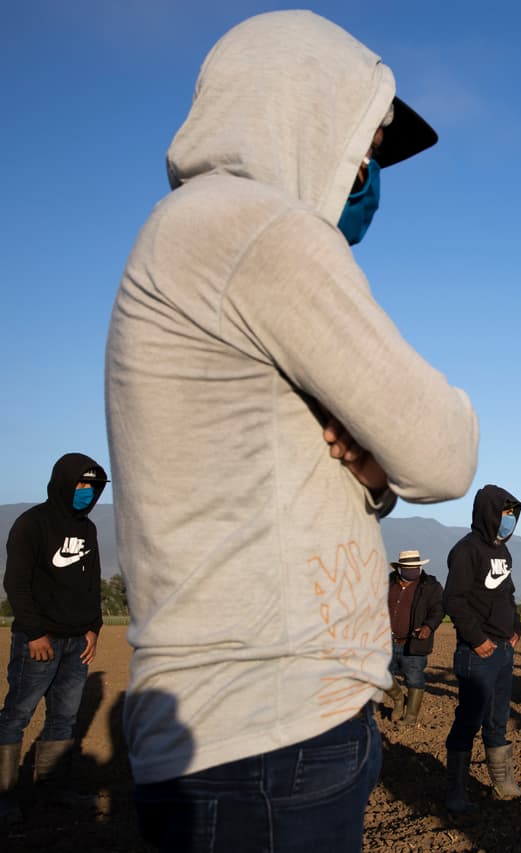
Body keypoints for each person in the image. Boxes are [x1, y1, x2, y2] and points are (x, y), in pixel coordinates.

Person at [105, 12, 479, 850]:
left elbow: (293, 471)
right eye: (366, 144)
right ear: (304, 114)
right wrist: (393, 451)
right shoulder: (257, 228)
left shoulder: (192, 233)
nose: (368, 174)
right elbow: (444, 450)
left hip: (243, 736)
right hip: (270, 738)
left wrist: (373, 472)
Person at [1, 454, 109, 809]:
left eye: (93, 486)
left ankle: (53, 791)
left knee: (64, 718)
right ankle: (4, 797)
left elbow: (92, 582)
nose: (86, 491)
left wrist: (93, 629)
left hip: (77, 643)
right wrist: (34, 634)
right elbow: (16, 584)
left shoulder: (88, 529)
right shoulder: (32, 524)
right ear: (63, 482)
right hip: (39, 642)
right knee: (16, 716)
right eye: (81, 483)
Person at [442, 485, 521, 813]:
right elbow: (454, 600)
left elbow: (507, 594)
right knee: (468, 720)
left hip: (504, 650)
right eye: (505, 513)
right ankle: (456, 793)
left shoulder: (503, 552)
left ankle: (503, 785)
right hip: (478, 653)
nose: (510, 519)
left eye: (513, 514)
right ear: (489, 513)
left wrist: (516, 628)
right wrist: (477, 639)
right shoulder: (466, 551)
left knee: (498, 719)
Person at [385, 550, 444, 726]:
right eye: (408, 567)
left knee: (414, 679)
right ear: (399, 568)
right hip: (386, 641)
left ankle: (410, 717)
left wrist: (428, 626)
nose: (413, 570)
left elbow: (439, 609)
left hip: (414, 642)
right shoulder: (388, 583)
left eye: (416, 567)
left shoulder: (430, 586)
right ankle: (398, 699)